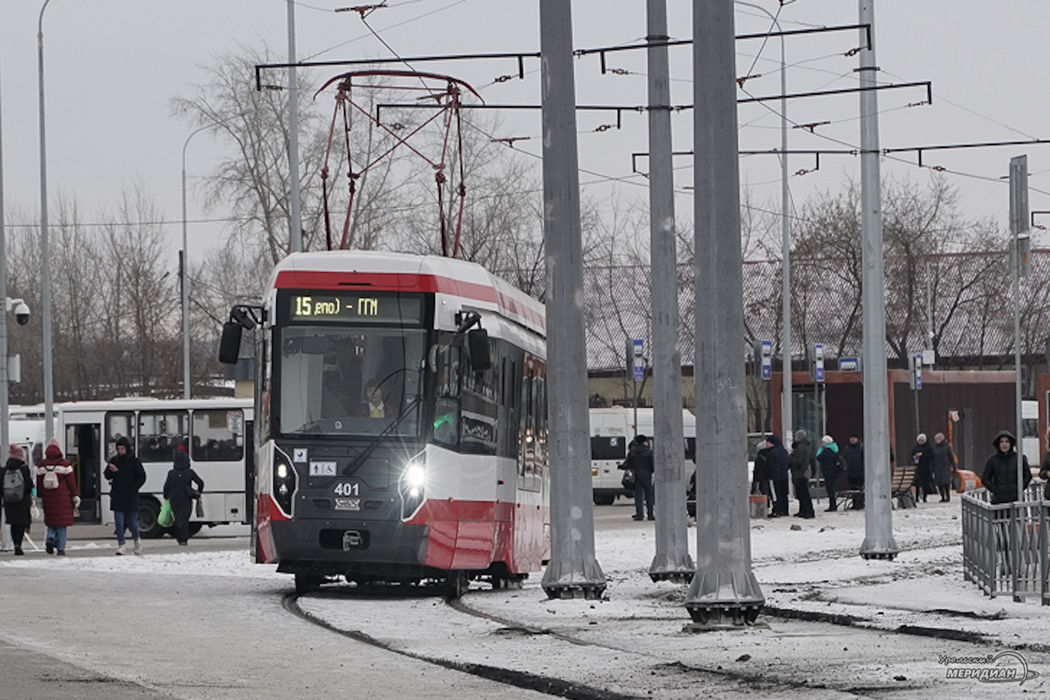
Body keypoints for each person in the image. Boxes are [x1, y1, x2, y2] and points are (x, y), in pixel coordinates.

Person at [36, 438, 80, 556]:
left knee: (51, 522)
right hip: (62, 499)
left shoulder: (41, 466)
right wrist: (75, 495)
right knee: (61, 524)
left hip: (48, 499)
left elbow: (39, 485)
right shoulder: (65, 464)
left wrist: (39, 498)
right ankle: (61, 549)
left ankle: (50, 538)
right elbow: (71, 483)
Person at [104, 436, 147, 555]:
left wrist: (134, 488)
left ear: (127, 448)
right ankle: (121, 544)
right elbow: (107, 475)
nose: (120, 451)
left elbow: (142, 476)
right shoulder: (115, 460)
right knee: (119, 523)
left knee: (133, 522)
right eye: (118, 449)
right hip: (117, 496)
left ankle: (137, 540)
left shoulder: (134, 461)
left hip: (130, 497)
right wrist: (110, 471)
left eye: (122, 448)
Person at [163, 448, 205, 546]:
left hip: (174, 499)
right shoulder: (189, 472)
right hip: (186, 499)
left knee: (177, 518)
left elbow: (166, 486)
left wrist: (166, 496)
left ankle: (178, 538)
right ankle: (184, 539)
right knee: (184, 520)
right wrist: (198, 493)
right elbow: (200, 482)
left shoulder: (171, 473)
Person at [981, 430, 1031, 505]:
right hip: (999, 501)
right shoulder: (992, 460)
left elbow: (1028, 475)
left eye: (1007, 441)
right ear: (998, 444)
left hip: (1016, 500)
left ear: (1011, 443)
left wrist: (1020, 488)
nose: (1004, 444)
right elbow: (985, 478)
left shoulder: (1020, 458)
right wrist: (996, 490)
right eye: (1001, 442)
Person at [1, 445, 34, 556]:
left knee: (13, 523)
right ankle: (18, 545)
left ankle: (14, 542)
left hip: (8, 500)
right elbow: (29, 485)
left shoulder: (5, 469)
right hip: (22, 500)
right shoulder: (24, 469)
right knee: (20, 523)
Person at [623, 434, 655, 521]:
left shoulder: (632, 452)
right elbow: (652, 465)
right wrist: (650, 471)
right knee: (649, 496)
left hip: (636, 477)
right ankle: (650, 514)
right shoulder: (649, 452)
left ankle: (639, 514)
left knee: (638, 496)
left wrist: (622, 467)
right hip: (646, 476)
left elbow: (627, 464)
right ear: (644, 442)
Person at [789, 430, 816, 519]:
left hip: (801, 473)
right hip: (803, 473)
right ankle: (804, 511)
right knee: (802, 493)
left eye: (796, 437)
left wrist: (791, 459)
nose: (794, 438)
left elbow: (798, 461)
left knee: (803, 493)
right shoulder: (805, 447)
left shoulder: (801, 448)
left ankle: (807, 511)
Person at [815, 435, 841, 512]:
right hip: (832, 471)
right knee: (831, 488)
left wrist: (820, 449)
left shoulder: (828, 451)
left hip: (829, 472)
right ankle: (833, 504)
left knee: (830, 489)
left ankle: (832, 505)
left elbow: (818, 457)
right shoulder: (833, 449)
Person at [930, 432, 958, 502]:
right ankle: (942, 496)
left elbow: (951, 457)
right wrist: (932, 468)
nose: (936, 441)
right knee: (939, 484)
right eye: (936, 439)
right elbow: (932, 458)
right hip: (937, 467)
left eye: (938, 439)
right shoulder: (934, 448)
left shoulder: (946, 447)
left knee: (946, 483)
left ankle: (947, 497)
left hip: (945, 467)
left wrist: (954, 466)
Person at [767, 434, 790, 518]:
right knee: (784, 493)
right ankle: (785, 510)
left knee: (776, 494)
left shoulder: (772, 452)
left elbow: (770, 465)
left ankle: (777, 510)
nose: (766, 444)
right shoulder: (784, 451)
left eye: (768, 442)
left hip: (775, 476)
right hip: (784, 475)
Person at [910, 433, 935, 503]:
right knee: (917, 484)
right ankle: (917, 497)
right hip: (917, 467)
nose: (920, 442)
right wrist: (914, 457)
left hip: (925, 468)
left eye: (922, 441)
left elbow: (931, 456)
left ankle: (924, 497)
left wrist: (922, 455)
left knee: (925, 484)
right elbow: (911, 455)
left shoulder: (928, 448)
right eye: (919, 440)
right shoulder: (916, 447)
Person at [842, 434, 865, 510]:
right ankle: (855, 503)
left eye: (854, 438)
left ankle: (860, 503)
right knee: (853, 489)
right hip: (850, 472)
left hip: (860, 472)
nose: (852, 440)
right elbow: (843, 458)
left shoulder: (861, 448)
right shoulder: (847, 448)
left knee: (859, 489)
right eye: (851, 438)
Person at [752, 437, 774, 511]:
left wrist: (755, 481)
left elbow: (757, 470)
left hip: (761, 477)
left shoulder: (759, 457)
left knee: (763, 491)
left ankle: (764, 506)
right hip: (769, 476)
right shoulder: (770, 454)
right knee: (769, 492)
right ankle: (769, 505)